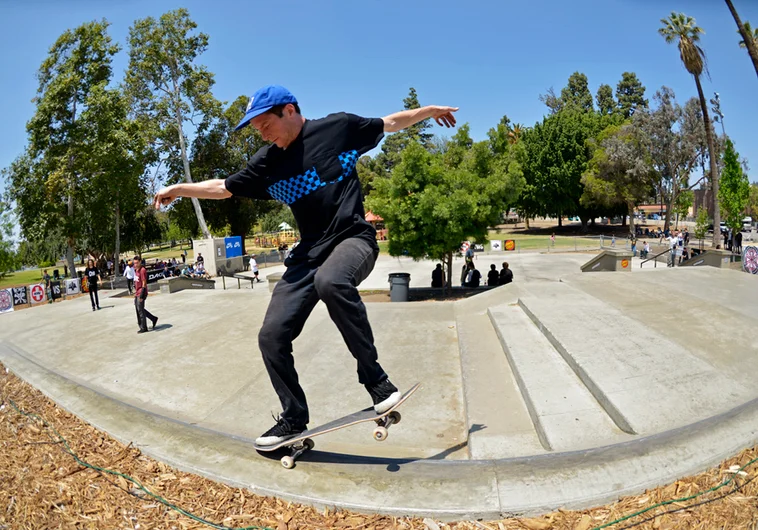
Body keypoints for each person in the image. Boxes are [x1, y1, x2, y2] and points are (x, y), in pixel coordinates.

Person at [152, 84, 458, 446]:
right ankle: (294, 417)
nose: (262, 133)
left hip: (352, 239)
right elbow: (223, 187)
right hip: (307, 254)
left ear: (291, 111)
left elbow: (391, 123)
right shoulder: (267, 162)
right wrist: (179, 188)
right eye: (256, 129)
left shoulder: (338, 128)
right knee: (271, 336)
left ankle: (377, 382)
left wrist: (429, 110)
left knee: (332, 281)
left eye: (266, 124)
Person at [132, 255, 158, 334]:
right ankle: (153, 319)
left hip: (141, 292)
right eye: (134, 263)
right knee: (139, 308)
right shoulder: (136, 270)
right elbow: (136, 281)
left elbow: (144, 282)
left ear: (140, 262)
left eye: (137, 263)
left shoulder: (142, 270)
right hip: (137, 292)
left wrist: (142, 294)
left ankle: (144, 327)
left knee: (140, 309)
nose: (135, 264)